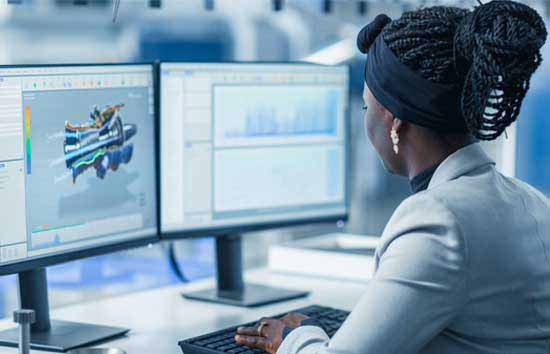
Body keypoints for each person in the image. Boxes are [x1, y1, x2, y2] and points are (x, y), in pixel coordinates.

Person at [234, 1, 550, 353]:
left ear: (394, 121)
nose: (365, 118)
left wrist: (294, 338)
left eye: (368, 107)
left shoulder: (438, 222)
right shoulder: (531, 200)